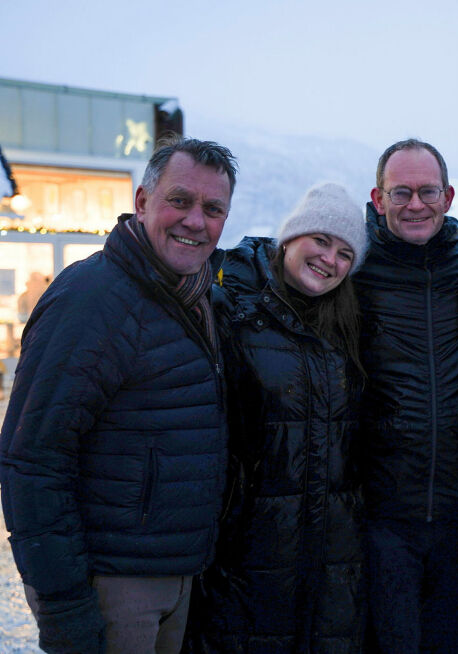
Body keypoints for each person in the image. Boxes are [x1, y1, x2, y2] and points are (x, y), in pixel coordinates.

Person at [0, 136, 237, 654]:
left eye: (213, 208)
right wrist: (64, 604)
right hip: (111, 586)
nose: (196, 221)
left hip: (177, 574)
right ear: (143, 201)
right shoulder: (92, 300)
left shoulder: (200, 298)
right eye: (180, 200)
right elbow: (32, 459)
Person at [183, 181, 368, 652]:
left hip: (331, 554)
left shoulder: (346, 324)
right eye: (321, 241)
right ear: (290, 238)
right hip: (248, 549)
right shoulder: (231, 306)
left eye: (345, 253)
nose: (330, 260)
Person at [353, 139, 458, 653]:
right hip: (381, 512)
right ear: (378, 196)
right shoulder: (353, 262)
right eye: (401, 192)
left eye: (427, 191)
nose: (415, 205)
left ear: (448, 196)